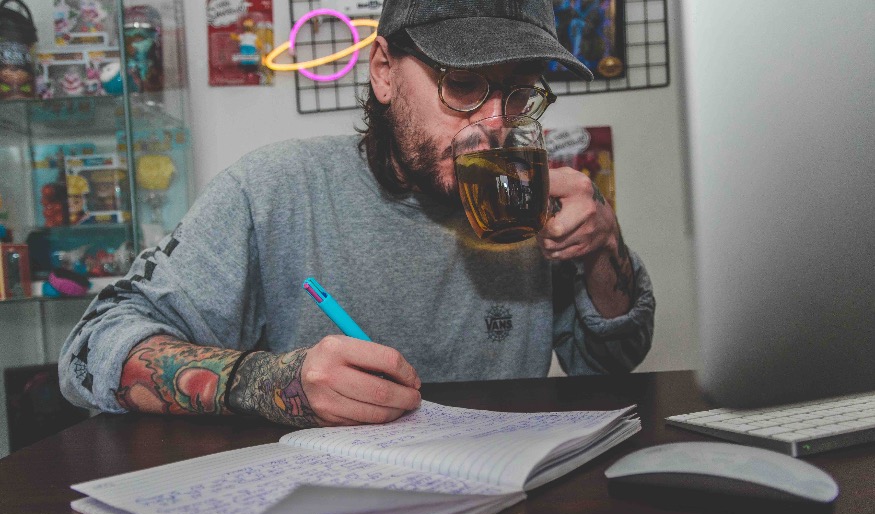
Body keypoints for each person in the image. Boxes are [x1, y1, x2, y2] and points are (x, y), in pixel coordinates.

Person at [60, 0, 655, 429]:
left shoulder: (527, 194)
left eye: (520, 93)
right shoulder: (276, 189)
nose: (495, 124)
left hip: (507, 502)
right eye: (463, 84)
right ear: (384, 71)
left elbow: (610, 363)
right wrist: (272, 383)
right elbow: (91, 350)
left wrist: (605, 248)